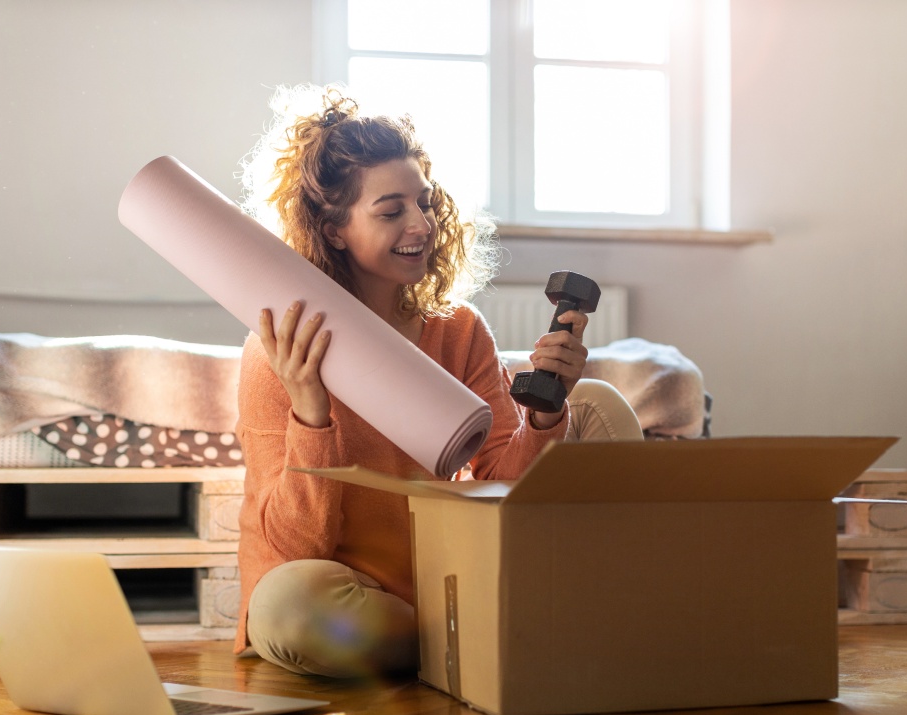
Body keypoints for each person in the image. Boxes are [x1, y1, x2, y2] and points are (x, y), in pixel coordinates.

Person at [234, 85, 643, 679]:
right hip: (343, 591)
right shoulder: (279, 348)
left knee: (596, 402)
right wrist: (311, 413)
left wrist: (547, 415)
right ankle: (490, 635)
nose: (421, 224)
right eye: (391, 209)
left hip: (442, 575)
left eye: (423, 203)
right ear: (332, 231)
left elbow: (500, 478)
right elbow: (298, 549)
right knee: (290, 605)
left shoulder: (457, 329)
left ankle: (520, 621)